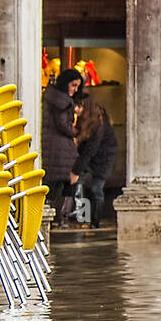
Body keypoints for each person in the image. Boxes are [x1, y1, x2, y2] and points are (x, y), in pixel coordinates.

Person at [42, 67, 82, 227]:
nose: (75, 89)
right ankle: (62, 218)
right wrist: (77, 130)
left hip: (52, 149)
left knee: (53, 184)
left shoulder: (50, 98)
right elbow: (64, 125)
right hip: (63, 150)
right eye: (73, 85)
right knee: (69, 183)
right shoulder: (64, 103)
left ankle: (54, 216)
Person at [72, 92, 117, 229]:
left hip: (103, 157)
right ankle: (82, 218)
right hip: (92, 157)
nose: (76, 110)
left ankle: (94, 222)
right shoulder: (83, 120)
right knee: (79, 185)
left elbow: (90, 149)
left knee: (96, 188)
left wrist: (76, 170)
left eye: (79, 106)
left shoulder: (98, 121)